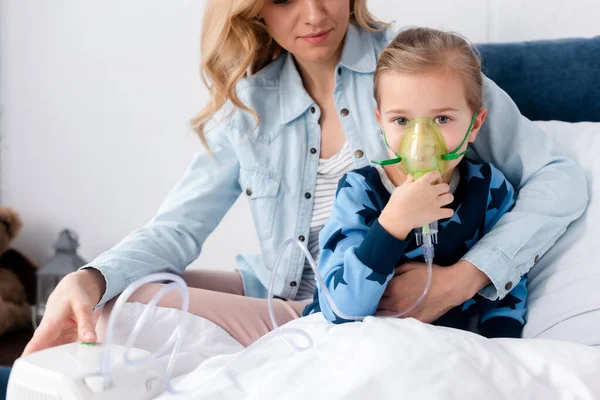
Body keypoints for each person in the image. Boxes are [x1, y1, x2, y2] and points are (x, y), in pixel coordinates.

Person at [21, 0, 586, 357]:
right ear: (253, 10)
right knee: (120, 297)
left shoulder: (419, 70)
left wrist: (463, 279)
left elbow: (557, 177)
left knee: (133, 310)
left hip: (361, 302)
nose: (314, 15)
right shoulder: (250, 107)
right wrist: (91, 277)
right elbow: (175, 229)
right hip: (282, 292)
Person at [305, 27, 527, 338]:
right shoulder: (360, 193)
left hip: (441, 353)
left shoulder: (489, 190)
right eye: (402, 121)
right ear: (381, 122)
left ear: (475, 124)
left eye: (441, 120)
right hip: (353, 347)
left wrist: (503, 350)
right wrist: (393, 224)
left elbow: (507, 286)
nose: (421, 140)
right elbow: (342, 310)